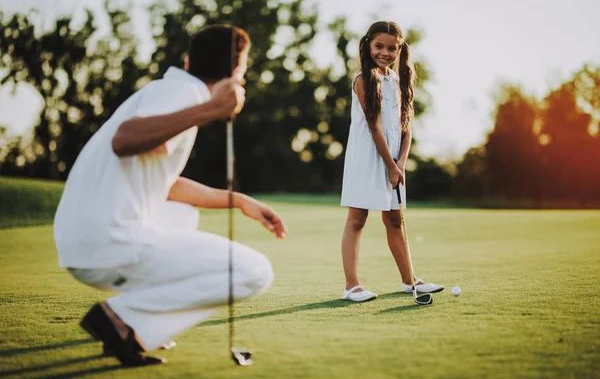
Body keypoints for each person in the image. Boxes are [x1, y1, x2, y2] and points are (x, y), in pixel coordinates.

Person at [53, 25, 288, 366]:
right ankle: (122, 318)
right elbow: (125, 140)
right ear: (237, 71)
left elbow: (167, 184)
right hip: (106, 243)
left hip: (85, 241)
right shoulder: (183, 93)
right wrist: (210, 109)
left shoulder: (171, 90)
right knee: (254, 272)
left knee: (183, 216)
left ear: (188, 60)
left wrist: (240, 200)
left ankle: (133, 324)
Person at [339, 21, 444, 302]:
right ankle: (351, 286)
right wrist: (390, 165)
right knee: (357, 219)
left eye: (392, 48)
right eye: (379, 46)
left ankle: (410, 280)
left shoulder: (399, 81)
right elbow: (374, 127)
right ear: (368, 46)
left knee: (394, 220)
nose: (385, 52)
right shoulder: (363, 80)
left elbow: (406, 127)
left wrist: (401, 164)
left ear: (400, 50)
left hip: (393, 160)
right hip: (367, 157)